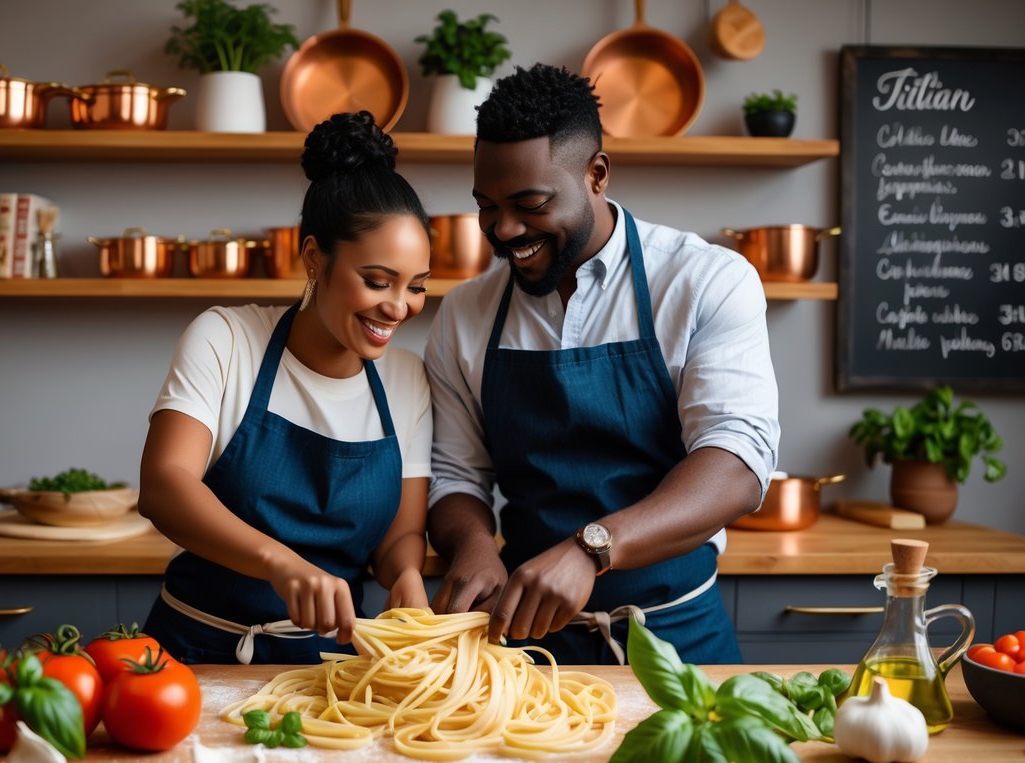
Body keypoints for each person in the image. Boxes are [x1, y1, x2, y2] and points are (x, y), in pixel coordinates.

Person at [424, 64, 779, 665]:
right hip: (525, 649)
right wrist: (474, 544)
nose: (504, 229)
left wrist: (594, 548)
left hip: (678, 641)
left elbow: (738, 461)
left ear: (597, 175)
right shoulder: (465, 314)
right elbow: (455, 475)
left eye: (530, 203)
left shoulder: (704, 281)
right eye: (487, 205)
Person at [140, 111, 433, 665]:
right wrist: (279, 562)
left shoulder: (405, 380)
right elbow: (164, 485)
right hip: (194, 656)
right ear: (314, 258)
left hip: (335, 670)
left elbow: (398, 538)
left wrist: (408, 577)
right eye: (376, 281)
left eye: (416, 286)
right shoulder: (226, 339)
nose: (398, 307)